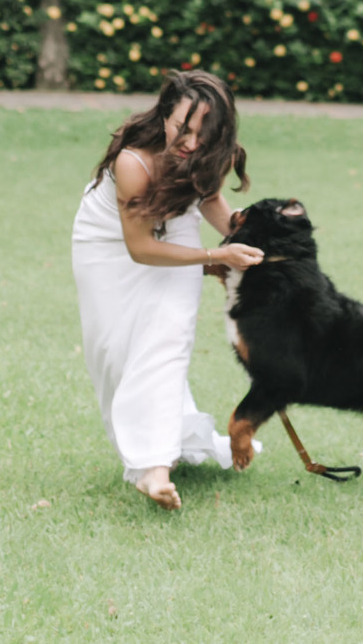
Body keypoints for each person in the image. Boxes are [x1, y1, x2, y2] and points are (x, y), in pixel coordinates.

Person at [71, 69, 265, 510]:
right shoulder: (132, 162)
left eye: (204, 134)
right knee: (115, 352)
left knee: (167, 337)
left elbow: (210, 201)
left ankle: (154, 469)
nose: (192, 144)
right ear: (164, 116)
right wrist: (215, 257)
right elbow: (140, 248)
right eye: (183, 129)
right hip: (107, 242)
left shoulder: (211, 152)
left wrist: (251, 251)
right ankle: (162, 441)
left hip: (175, 226)